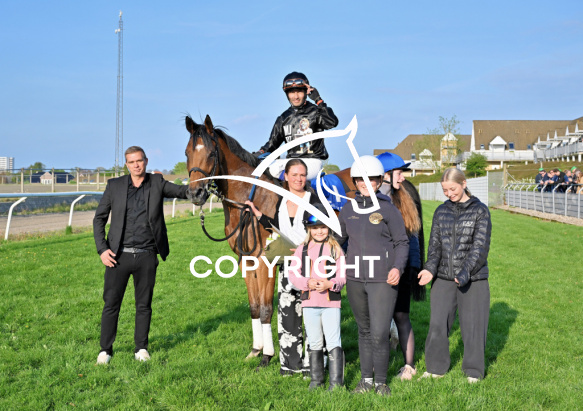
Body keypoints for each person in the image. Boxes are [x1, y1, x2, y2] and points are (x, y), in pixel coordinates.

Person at [93, 146, 189, 364]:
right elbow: (99, 219)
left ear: (146, 161)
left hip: (147, 255)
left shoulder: (157, 182)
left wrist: (204, 186)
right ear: (127, 165)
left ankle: (141, 348)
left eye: (139, 160)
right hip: (117, 257)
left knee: (144, 305)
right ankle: (105, 350)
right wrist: (102, 250)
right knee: (111, 304)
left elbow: (183, 192)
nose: (136, 165)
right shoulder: (114, 186)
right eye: (132, 162)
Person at [337, 155, 409, 396]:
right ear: (355, 181)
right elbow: (337, 241)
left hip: (382, 280)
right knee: (364, 331)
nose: (365, 183)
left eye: (371, 179)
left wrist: (397, 268)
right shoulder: (348, 209)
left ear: (379, 181)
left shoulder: (388, 209)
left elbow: (402, 242)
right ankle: (366, 380)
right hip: (355, 279)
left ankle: (381, 382)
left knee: (379, 332)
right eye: (360, 179)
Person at [246, 159, 322, 376]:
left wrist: (306, 250)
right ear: (286, 177)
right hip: (288, 266)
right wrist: (259, 215)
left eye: (302, 175)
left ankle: (312, 365)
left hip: (310, 265)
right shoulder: (281, 200)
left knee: (312, 316)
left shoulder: (314, 200)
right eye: (294, 175)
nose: (299, 179)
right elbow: (278, 227)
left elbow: (322, 231)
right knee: (288, 315)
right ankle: (290, 365)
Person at [418, 168, 492, 383]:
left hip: (473, 278)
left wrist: (465, 272)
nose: (449, 193)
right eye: (445, 190)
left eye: (452, 189)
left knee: (473, 326)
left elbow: (480, 247)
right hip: (443, 277)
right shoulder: (441, 211)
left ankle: (473, 371)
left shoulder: (480, 211)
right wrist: (429, 269)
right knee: (437, 324)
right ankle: (435, 369)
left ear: (464, 184)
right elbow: (435, 246)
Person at [377, 152, 425, 381]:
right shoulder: (370, 201)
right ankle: (377, 365)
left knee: (401, 316)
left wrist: (413, 266)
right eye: (399, 173)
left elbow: (413, 237)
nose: (403, 178)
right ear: (385, 175)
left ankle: (409, 366)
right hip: (376, 270)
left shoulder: (404, 199)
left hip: (402, 269)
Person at [289, 206, 346, 390]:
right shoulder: (302, 250)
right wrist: (307, 282)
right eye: (315, 228)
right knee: (314, 341)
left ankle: (336, 384)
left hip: (331, 304)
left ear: (328, 227)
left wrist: (331, 284)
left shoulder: (336, 249)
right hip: (309, 303)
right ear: (308, 229)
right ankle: (316, 380)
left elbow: (343, 275)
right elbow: (293, 275)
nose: (319, 231)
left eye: (323, 227)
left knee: (333, 341)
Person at [255, 71, 339, 180]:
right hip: (291, 162)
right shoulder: (283, 118)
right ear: (287, 94)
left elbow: (331, 122)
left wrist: (318, 100)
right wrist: (259, 152)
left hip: (312, 162)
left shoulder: (316, 112)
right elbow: (272, 145)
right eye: (291, 92)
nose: (296, 96)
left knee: (294, 173)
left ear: (306, 92)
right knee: (267, 168)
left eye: (299, 91)